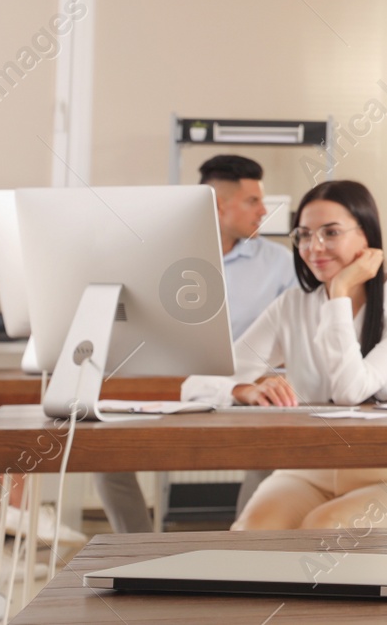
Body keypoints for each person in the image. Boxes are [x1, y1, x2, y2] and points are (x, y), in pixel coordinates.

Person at [182, 180, 387, 530]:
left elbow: (351, 390)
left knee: (324, 528)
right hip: (305, 472)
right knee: (248, 537)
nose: (313, 247)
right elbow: (195, 384)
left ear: (368, 237)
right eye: (304, 235)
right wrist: (241, 390)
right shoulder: (292, 306)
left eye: (330, 232)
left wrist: (340, 294)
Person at [95, 154, 297, 534]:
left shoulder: (279, 263)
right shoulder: (162, 256)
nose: (263, 210)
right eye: (253, 201)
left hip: (249, 390)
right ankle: (138, 548)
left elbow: (294, 337)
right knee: (104, 453)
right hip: (173, 383)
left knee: (274, 454)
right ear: (218, 204)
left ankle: (242, 549)